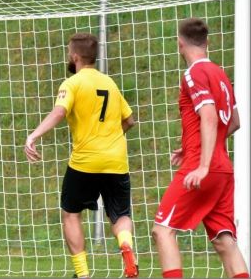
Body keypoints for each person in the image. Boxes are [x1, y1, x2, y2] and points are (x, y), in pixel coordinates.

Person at [24, 32, 137, 279]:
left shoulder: (72, 83)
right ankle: (126, 246)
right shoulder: (109, 83)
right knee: (120, 214)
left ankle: (83, 274)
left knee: (70, 213)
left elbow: (59, 112)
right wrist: (110, 137)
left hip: (85, 161)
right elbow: (129, 120)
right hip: (116, 161)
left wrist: (33, 136)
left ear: (75, 56)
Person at [151, 18, 248, 279]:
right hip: (223, 169)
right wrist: (195, 145)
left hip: (201, 167)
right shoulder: (220, 74)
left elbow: (208, 115)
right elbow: (234, 122)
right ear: (208, 42)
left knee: (163, 230)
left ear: (179, 43)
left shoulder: (193, 73)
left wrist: (202, 164)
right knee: (224, 241)